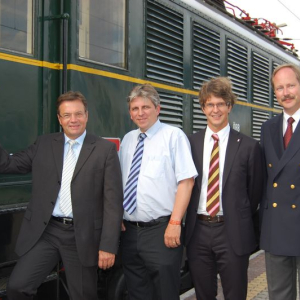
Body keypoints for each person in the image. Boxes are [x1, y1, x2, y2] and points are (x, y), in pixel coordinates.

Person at [1, 91, 123, 300]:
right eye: (67, 115)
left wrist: (107, 246)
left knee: (83, 296)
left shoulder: (104, 150)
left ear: (87, 115)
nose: (73, 120)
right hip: (47, 231)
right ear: (59, 119)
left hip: (82, 236)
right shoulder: (44, 144)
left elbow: (113, 202)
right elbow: (8, 163)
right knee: (18, 287)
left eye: (78, 114)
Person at [185, 77, 263, 300]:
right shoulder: (190, 143)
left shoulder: (249, 146)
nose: (215, 109)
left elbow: (254, 193)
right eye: (210, 104)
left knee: (235, 294)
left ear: (229, 106)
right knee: (203, 294)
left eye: (220, 104)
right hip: (197, 231)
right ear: (203, 108)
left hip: (232, 232)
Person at [119, 83, 197, 300]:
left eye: (145, 107)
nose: (140, 113)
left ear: (157, 109)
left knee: (164, 293)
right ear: (130, 113)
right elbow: (121, 182)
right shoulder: (128, 140)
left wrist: (174, 223)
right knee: (137, 292)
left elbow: (186, 182)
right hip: (130, 233)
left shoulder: (173, 136)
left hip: (161, 232)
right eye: (135, 109)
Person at [260, 63, 300, 300]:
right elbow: (261, 178)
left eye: (291, 86)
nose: (286, 93)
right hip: (276, 227)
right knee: (279, 296)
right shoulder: (268, 128)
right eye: (280, 88)